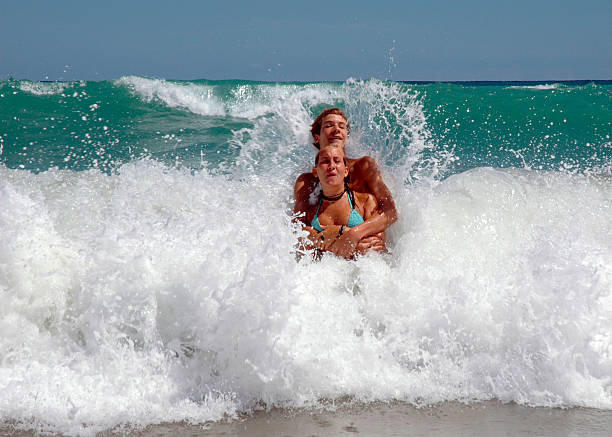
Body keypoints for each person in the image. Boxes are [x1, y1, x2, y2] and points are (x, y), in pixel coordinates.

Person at [293, 108, 398, 258]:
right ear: (316, 137)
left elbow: (390, 212)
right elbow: (297, 230)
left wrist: (353, 235)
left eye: (342, 127)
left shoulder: (364, 167)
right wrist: (337, 234)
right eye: (329, 125)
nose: (336, 130)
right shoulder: (307, 181)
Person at [295, 146, 382, 258]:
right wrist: (352, 243)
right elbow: (301, 241)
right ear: (315, 172)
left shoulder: (365, 202)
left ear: (346, 171)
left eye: (337, 161)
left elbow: (379, 243)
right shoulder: (311, 212)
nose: (331, 166)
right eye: (325, 161)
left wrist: (340, 231)